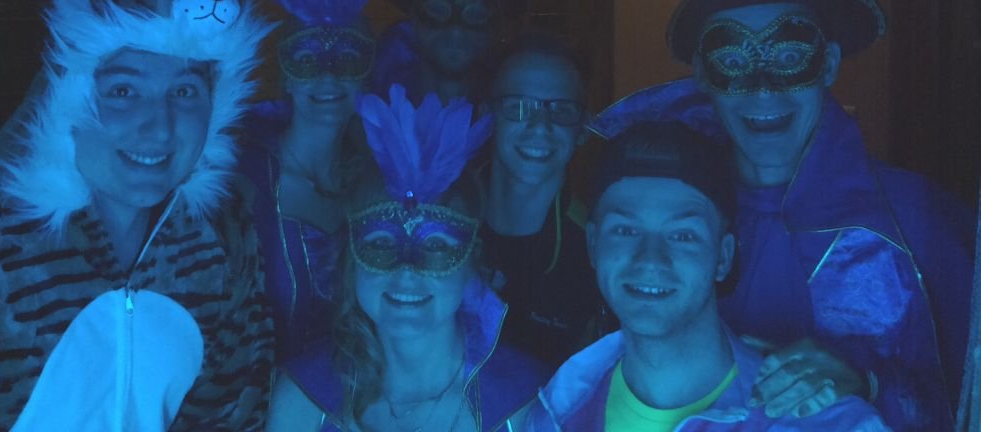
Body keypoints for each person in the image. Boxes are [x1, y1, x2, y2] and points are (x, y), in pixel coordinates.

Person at [591, 0, 973, 431]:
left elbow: (968, 399)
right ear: (704, 73)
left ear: (828, 64)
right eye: (733, 62)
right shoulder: (665, 216)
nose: (763, 89)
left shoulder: (921, 221)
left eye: (790, 56)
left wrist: (868, 383)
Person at [0, 0, 276, 430]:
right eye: (123, 90)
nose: (160, 128)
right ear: (70, 94)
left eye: (185, 92)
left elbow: (232, 409)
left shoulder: (223, 238)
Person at [528, 120, 891, 431]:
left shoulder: (827, 425)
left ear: (723, 256)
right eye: (625, 230)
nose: (650, 260)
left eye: (683, 236)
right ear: (593, 245)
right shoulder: (550, 413)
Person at [267, 85, 548, 431]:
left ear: (471, 262)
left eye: (436, 247)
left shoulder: (524, 404)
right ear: (352, 258)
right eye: (381, 244)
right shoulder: (303, 399)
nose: (406, 272)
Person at [242, 0, 380, 359]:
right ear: (285, 76)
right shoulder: (241, 177)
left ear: (366, 75)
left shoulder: (375, 183)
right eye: (307, 61)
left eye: (348, 60)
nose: (328, 77)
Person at [477, 32, 604, 366]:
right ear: (487, 117)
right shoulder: (438, 217)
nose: (540, 126)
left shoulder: (597, 253)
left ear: (582, 128)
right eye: (518, 107)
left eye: (561, 110)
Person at [372, 0, 530, 104]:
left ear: (499, 28)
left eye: (477, 13)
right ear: (413, 20)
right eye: (436, 9)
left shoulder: (520, 115)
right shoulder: (366, 112)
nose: (456, 29)